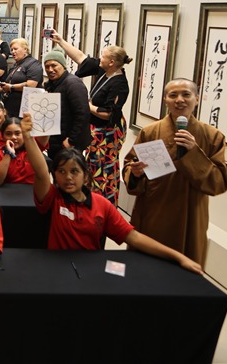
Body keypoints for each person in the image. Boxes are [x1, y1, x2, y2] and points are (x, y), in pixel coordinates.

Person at [24, 113, 202, 274]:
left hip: (90, 272)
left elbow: (134, 237)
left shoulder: (102, 205)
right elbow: (41, 172)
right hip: (56, 270)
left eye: (74, 171)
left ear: (86, 176)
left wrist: (178, 257)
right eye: (61, 172)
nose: (68, 177)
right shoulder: (53, 198)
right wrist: (28, 137)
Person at [122, 79, 227, 266]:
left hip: (191, 218)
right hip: (155, 213)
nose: (179, 100)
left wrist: (193, 153)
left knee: (186, 274)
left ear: (197, 99)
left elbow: (218, 184)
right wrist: (135, 174)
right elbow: (130, 167)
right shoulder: (150, 132)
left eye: (186, 94)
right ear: (165, 100)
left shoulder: (212, 136)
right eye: (173, 95)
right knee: (147, 269)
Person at [51, 32, 131, 205]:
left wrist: (86, 105)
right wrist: (61, 41)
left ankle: (103, 204)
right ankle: (89, 198)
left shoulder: (120, 84)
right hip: (96, 127)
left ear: (112, 62)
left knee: (103, 169)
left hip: (108, 132)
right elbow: (81, 58)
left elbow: (108, 113)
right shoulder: (105, 71)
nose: (99, 59)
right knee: (91, 166)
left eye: (103, 56)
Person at [42, 47, 91, 160]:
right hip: (55, 141)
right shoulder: (52, 84)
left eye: (54, 65)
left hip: (68, 143)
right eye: (47, 66)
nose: (50, 69)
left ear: (63, 66)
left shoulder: (73, 84)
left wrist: (71, 140)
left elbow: (82, 114)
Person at [0, 37, 42, 118]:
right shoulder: (15, 65)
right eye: (11, 50)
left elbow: (31, 85)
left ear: (25, 49)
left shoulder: (33, 64)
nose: (13, 52)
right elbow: (6, 85)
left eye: (15, 49)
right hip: (10, 109)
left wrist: (11, 87)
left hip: (24, 110)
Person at [0, 117, 48, 186]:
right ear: (2, 136)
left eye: (17, 133)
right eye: (8, 134)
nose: (13, 137)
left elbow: (46, 130)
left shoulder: (32, 147)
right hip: (9, 191)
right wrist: (8, 153)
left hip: (33, 190)